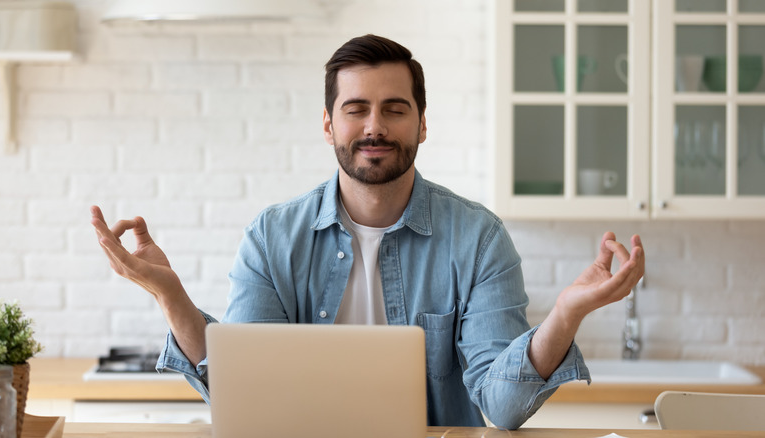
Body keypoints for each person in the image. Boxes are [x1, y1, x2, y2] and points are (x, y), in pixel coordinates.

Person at [91, 34, 644, 429]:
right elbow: (243, 391)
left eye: (394, 109)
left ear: (422, 125)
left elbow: (500, 408)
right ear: (329, 123)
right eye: (356, 109)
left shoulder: (478, 238)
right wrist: (171, 294)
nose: (375, 126)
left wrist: (566, 313)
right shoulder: (272, 236)